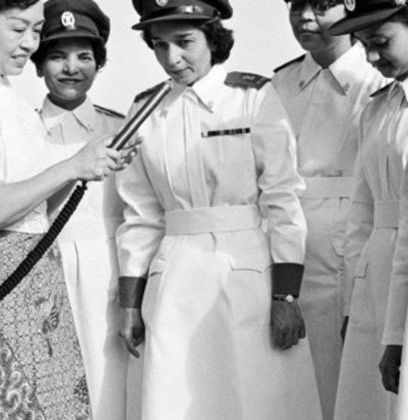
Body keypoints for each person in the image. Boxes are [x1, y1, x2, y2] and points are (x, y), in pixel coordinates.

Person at [0, 0, 136, 417]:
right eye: (18, 29)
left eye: (36, 31)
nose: (29, 44)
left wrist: (89, 166)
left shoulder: (6, 94)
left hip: (33, 275)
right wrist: (71, 165)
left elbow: (33, 210)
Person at [116, 0, 323, 419]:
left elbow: (282, 197)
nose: (171, 59)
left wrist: (285, 293)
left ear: (212, 36)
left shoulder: (251, 97)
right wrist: (130, 304)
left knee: (255, 398)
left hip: (246, 275)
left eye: (184, 42)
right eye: (159, 45)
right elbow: (141, 215)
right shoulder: (145, 112)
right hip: (174, 282)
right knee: (178, 401)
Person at [271, 1, 386, 419]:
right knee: (290, 387)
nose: (305, 18)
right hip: (285, 250)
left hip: (349, 249)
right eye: (297, 5)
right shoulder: (279, 84)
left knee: (348, 386)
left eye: (320, 6)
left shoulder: (378, 79)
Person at [29, 0, 129, 418]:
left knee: (112, 386)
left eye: (84, 56)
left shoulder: (122, 128)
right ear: (37, 65)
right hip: (44, 272)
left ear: (99, 63)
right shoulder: (23, 129)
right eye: (57, 56)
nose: (71, 67)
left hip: (108, 271)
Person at [328, 2, 408, 418]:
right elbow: (361, 214)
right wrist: (351, 307)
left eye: (382, 41)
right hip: (374, 283)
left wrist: (396, 336)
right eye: (363, 45)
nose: (373, 58)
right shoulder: (378, 108)